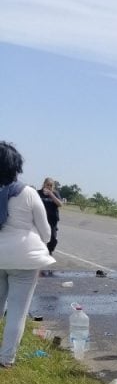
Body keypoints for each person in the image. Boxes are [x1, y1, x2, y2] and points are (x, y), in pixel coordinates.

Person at [0, 142, 54, 367]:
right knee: (17, 311)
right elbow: (47, 233)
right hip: (24, 258)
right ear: (16, 167)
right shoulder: (29, 193)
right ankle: (6, 359)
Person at [37, 177, 63, 256]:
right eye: (47, 185)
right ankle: (38, 251)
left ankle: (49, 251)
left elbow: (60, 204)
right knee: (38, 236)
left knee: (52, 238)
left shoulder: (55, 193)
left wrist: (51, 194)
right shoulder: (38, 193)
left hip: (52, 220)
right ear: (44, 184)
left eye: (51, 185)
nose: (49, 187)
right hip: (40, 218)